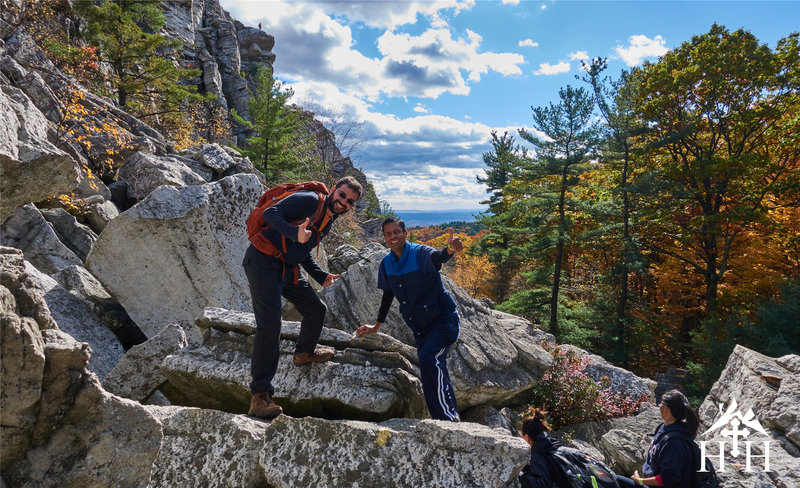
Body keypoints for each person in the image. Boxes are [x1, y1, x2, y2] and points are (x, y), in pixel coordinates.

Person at [243, 176, 362, 419]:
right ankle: (260, 396)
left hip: (287, 268)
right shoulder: (310, 201)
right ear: (334, 190)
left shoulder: (327, 220)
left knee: (316, 309)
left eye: (350, 202)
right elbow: (270, 213)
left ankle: (303, 353)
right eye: (342, 196)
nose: (344, 203)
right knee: (270, 326)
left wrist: (321, 275)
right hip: (263, 263)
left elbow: (302, 250)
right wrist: (292, 232)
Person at [355, 217, 463, 421]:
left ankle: (448, 419)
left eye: (397, 232)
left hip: (443, 320)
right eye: (388, 234)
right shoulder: (387, 264)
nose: (393, 236)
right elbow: (388, 294)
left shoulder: (420, 253)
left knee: (430, 360)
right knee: (429, 368)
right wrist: (377, 325)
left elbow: (437, 258)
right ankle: (442, 416)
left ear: (405, 233)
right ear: (384, 238)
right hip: (421, 329)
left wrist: (449, 250)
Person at [616, 389, 697, 487]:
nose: (659, 406)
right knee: (609, 478)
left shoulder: (675, 443)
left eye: (660, 403)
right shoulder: (664, 428)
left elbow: (668, 479)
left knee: (610, 481)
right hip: (649, 484)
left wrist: (640, 481)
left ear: (666, 408)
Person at [518, 408, 568, 488]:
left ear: (527, 437)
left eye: (522, 435)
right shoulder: (555, 449)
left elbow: (541, 485)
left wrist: (518, 475)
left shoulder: (538, 455)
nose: (521, 437)